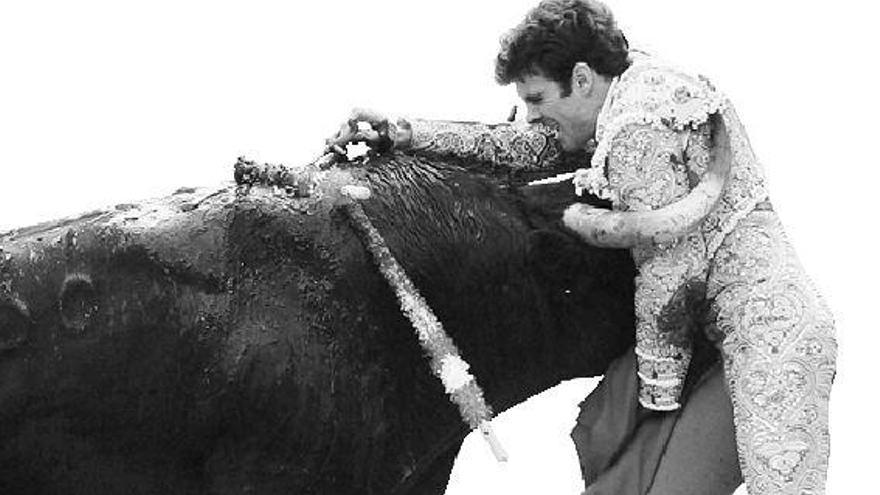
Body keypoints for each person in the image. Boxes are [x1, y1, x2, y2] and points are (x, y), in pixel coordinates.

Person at [327, 1, 837, 493]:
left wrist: (655, 396)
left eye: (535, 100)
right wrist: (402, 132)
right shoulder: (624, 91)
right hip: (719, 335)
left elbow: (669, 268)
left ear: (582, 79)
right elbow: (525, 148)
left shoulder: (641, 126)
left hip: (771, 335)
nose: (530, 117)